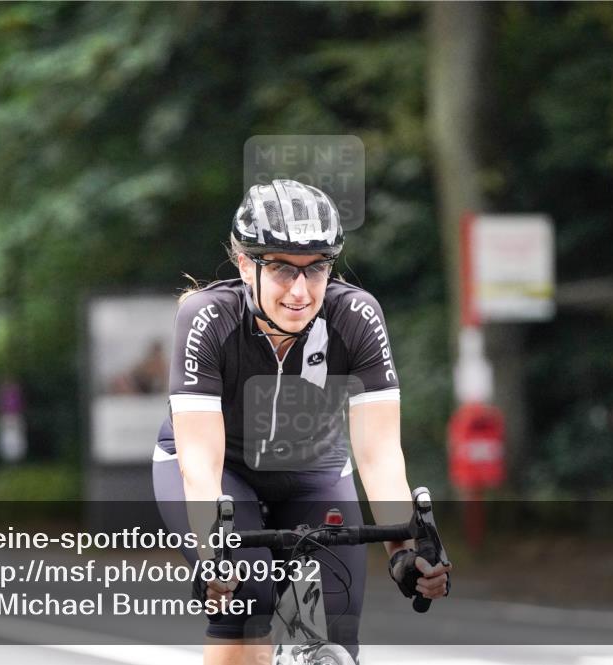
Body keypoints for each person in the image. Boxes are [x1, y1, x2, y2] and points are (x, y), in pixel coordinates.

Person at [152, 179, 450, 665]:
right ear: (246, 263)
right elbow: (200, 464)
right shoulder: (207, 317)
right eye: (282, 270)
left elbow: (377, 454)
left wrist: (402, 546)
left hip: (312, 470)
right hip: (221, 470)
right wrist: (213, 552)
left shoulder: (355, 315)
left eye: (316, 269)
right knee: (249, 598)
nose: (300, 289)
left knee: (334, 623)